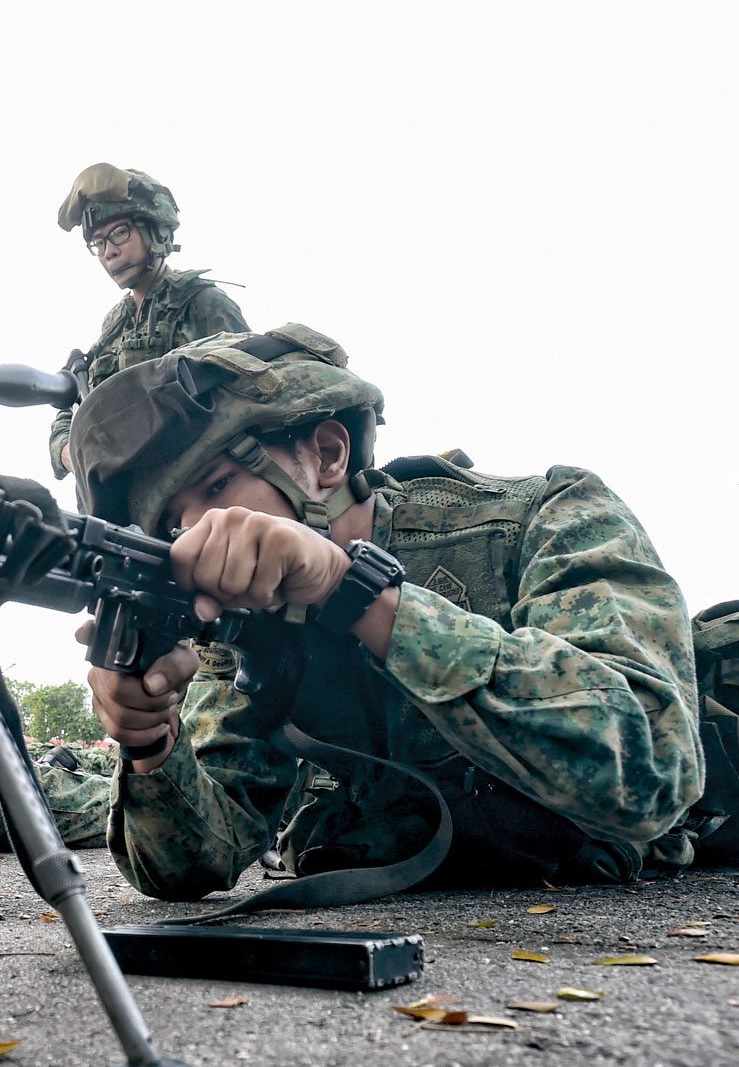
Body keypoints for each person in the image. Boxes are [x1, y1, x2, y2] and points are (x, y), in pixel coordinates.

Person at [68, 325, 704, 899]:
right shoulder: (249, 626)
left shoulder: (553, 515)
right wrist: (151, 742)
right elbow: (192, 864)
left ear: (327, 454)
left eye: (216, 486)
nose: (197, 531)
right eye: (173, 524)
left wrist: (351, 592)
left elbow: (651, 771)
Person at [46, 164, 250, 479]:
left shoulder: (201, 303)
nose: (109, 252)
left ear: (157, 231)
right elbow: (75, 407)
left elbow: (250, 397)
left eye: (119, 233)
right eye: (98, 243)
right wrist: (67, 451)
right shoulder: (115, 327)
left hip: (200, 486)